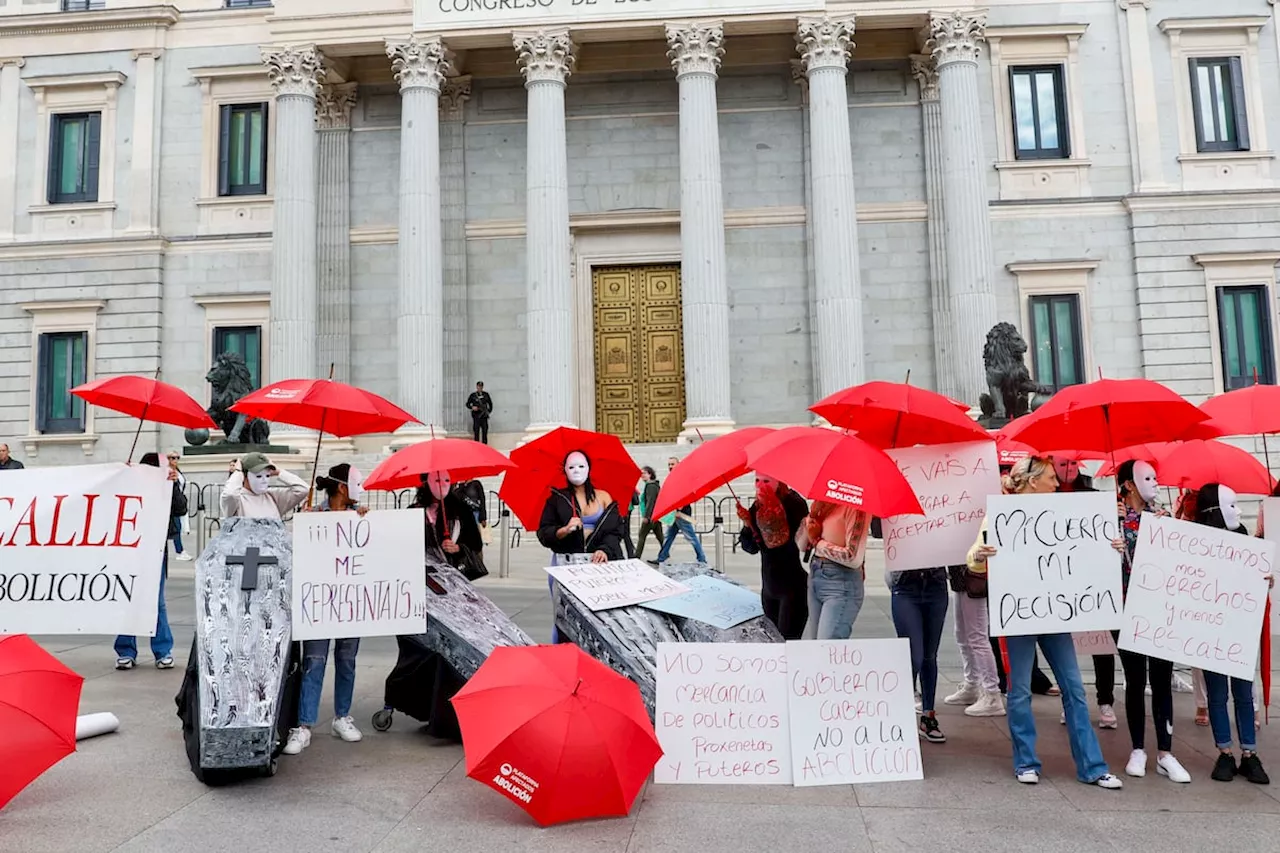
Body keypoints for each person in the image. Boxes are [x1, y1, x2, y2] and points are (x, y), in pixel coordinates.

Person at [968, 455, 1124, 789]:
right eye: (1052, 477)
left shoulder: (1066, 511)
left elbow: (1087, 551)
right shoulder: (1000, 514)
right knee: (1020, 691)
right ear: (1033, 480)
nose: (1057, 483)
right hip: (1021, 616)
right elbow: (975, 561)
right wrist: (980, 556)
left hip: (1053, 615)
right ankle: (1026, 761)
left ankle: (1092, 766)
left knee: (1075, 689)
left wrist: (1111, 547)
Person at [1112, 459, 1190, 782]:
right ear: (1129, 484)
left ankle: (1166, 753)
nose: (1155, 483)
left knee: (1161, 679)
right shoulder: (1110, 519)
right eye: (1147, 477)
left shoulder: (1163, 518)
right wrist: (1108, 541)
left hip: (1159, 612)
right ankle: (1138, 748)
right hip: (1126, 611)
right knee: (1134, 678)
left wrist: (1169, 531)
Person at [1190, 483, 1270, 784]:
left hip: (1239, 629)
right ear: (1215, 510)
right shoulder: (1194, 541)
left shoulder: (1242, 538)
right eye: (1232, 505)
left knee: (1242, 692)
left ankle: (1249, 752)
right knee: (1218, 694)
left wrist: (1266, 578)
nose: (1238, 511)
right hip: (1210, 628)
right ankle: (1224, 750)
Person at [284, 464, 367, 756]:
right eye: (357, 483)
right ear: (342, 487)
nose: (361, 488)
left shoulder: (359, 518)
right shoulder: (313, 517)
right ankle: (304, 725)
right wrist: (302, 525)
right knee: (314, 661)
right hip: (320, 603)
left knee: (347, 660)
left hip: (350, 603)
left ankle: (342, 717)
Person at [1054, 455, 1117, 731]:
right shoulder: (1043, 496)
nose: (1068, 470)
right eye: (1062, 465)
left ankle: (1106, 701)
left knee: (1101, 644)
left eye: (1072, 464)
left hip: (1092, 582)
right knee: (1061, 647)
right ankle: (1070, 701)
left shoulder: (1093, 497)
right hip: (1059, 580)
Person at [537, 451, 627, 643]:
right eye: (571, 467)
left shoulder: (603, 497)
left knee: (598, 619)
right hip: (565, 565)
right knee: (564, 618)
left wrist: (605, 549)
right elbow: (544, 532)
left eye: (581, 466)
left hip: (596, 566)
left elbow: (616, 530)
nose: (576, 470)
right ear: (565, 471)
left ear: (589, 468)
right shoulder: (557, 499)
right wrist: (564, 530)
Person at [114, 452, 185, 671]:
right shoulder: (131, 484)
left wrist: (172, 486)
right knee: (128, 596)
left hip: (156, 547)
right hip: (130, 546)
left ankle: (162, 651)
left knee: (157, 601)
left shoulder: (168, 484)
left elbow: (181, 508)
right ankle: (126, 649)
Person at [738, 474, 809, 639]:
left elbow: (798, 541)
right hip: (770, 585)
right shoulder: (757, 507)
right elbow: (750, 547)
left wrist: (773, 515)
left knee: (788, 640)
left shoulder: (794, 503)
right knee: (771, 641)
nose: (761, 485)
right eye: (757, 480)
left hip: (793, 585)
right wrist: (748, 525)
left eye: (766, 481)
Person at [888, 561, 951, 744]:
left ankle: (928, 716)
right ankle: (901, 717)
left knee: (929, 656)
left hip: (935, 583)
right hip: (905, 584)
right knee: (913, 656)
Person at [795, 500, 869, 641]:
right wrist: (812, 517)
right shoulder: (822, 505)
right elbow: (801, 544)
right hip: (816, 573)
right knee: (817, 646)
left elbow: (853, 557)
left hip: (841, 581)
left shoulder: (856, 505)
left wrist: (818, 542)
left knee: (828, 645)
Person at [412, 471, 487, 576]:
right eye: (437, 480)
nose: (442, 485)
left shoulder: (461, 510)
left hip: (455, 572)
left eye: (446, 480)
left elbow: (476, 544)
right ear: (425, 483)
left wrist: (458, 548)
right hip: (424, 574)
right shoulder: (414, 511)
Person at [221, 451, 308, 519]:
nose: (264, 480)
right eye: (258, 476)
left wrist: (279, 472)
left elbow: (303, 489)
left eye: (267, 475)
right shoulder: (238, 500)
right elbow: (230, 495)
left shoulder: (273, 497)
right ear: (245, 476)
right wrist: (238, 473)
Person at [656, 456, 707, 564]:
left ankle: (702, 559)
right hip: (675, 513)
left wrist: (679, 507)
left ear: (678, 464)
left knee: (691, 537)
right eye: (669, 464)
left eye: (672, 464)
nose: (670, 466)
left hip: (681, 513)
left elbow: (686, 494)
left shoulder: (682, 478)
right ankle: (662, 557)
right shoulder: (673, 477)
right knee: (669, 536)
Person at [167, 450, 193, 562]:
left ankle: (179, 550)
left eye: (177, 458)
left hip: (177, 502)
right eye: (172, 458)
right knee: (176, 528)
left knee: (175, 528)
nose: (175, 460)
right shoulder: (167, 471)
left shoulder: (176, 470)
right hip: (171, 503)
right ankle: (180, 551)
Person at [635, 466, 663, 560]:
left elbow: (650, 501)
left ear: (650, 474)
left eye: (644, 473)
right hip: (655, 516)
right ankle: (665, 552)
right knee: (660, 537)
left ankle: (637, 556)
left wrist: (647, 516)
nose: (642, 475)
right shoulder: (653, 485)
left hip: (651, 516)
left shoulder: (651, 486)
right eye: (641, 473)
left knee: (642, 535)